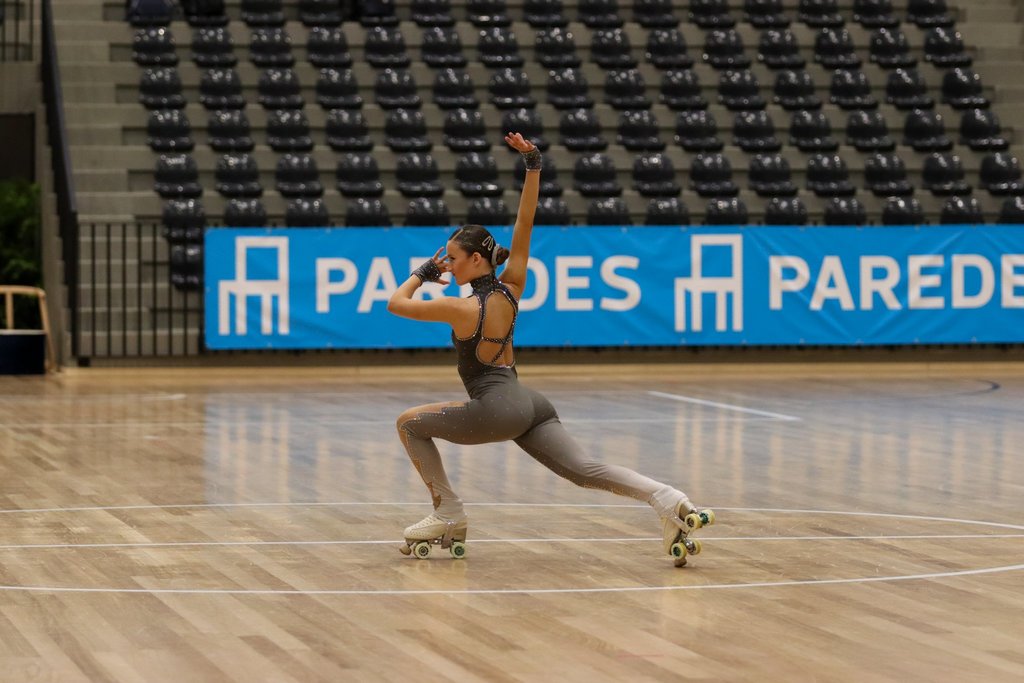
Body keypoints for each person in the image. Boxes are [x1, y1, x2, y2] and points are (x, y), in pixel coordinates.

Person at [387, 132, 714, 566]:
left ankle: (448, 512)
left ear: (477, 261)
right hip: (531, 404)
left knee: (409, 424)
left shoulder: (462, 308)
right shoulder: (511, 290)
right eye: (443, 259)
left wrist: (422, 271)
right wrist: (533, 165)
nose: (449, 264)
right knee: (584, 471)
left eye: (452, 257)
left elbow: (396, 304)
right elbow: (525, 225)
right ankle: (667, 499)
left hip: (497, 408)